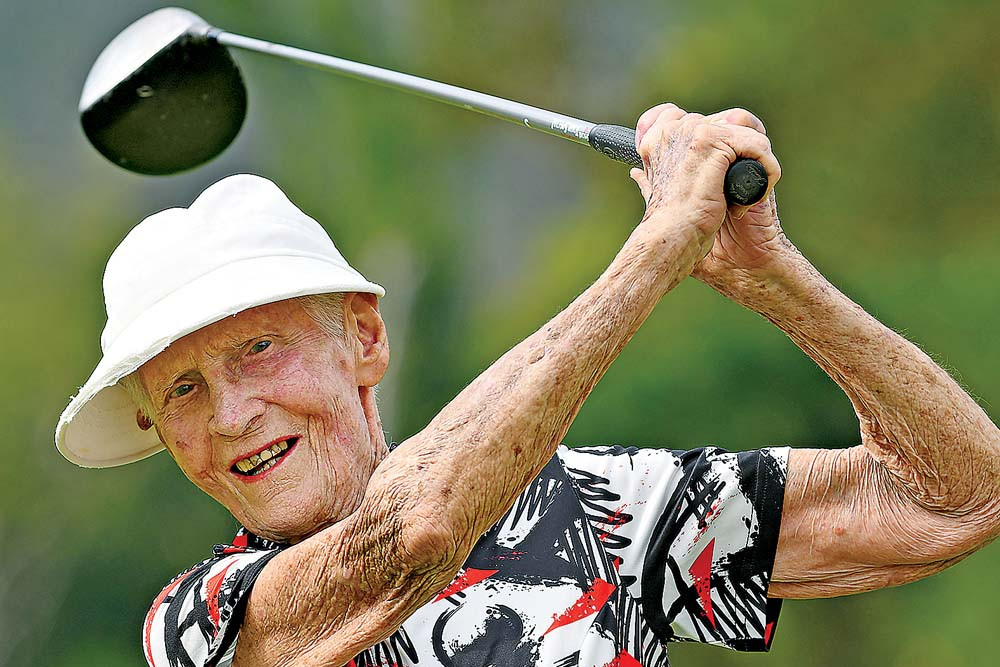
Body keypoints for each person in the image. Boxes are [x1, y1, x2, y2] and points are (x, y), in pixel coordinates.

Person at [56, 104, 1000, 667]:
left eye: (259, 348)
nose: (230, 414)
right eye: (182, 389)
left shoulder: (598, 505)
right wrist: (656, 249)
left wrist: (773, 277)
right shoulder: (197, 622)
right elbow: (409, 538)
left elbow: (952, 497)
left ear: (366, 340)